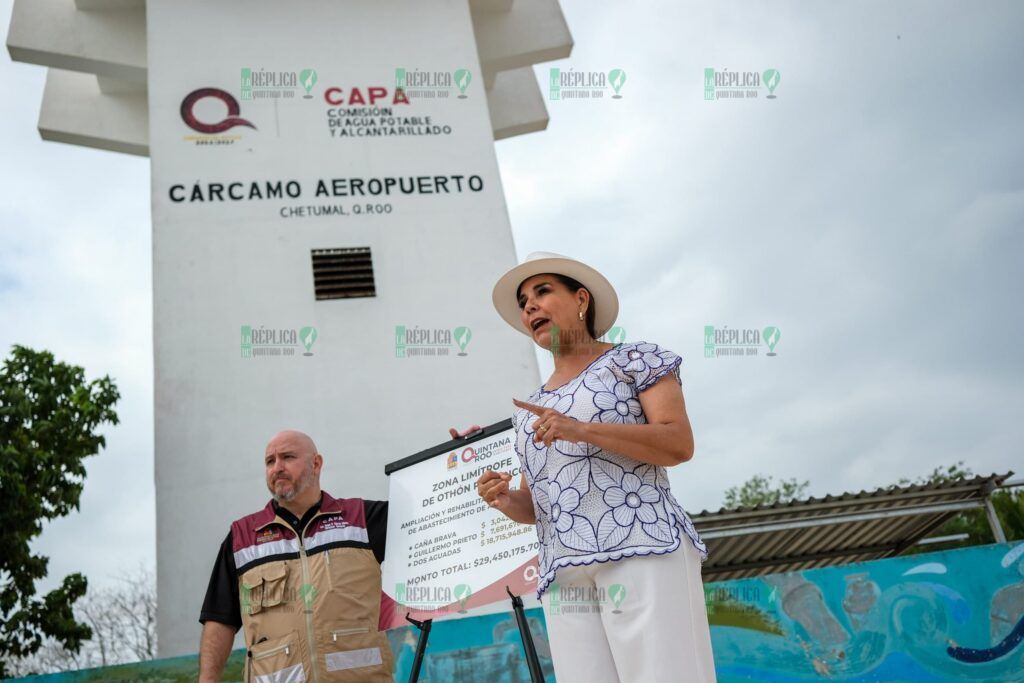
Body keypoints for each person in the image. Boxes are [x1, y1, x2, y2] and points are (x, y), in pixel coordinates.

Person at [461, 252, 716, 683]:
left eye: (542, 291)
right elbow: (537, 505)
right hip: (564, 573)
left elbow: (677, 443)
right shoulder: (529, 409)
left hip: (642, 545)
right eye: (524, 301)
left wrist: (582, 429)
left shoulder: (635, 360)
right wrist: (504, 498)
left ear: (581, 299)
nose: (529, 306)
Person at [197, 430, 393, 682]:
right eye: (270, 461)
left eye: (288, 457)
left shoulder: (362, 520)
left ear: (316, 463)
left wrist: (461, 456)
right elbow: (219, 619)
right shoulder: (242, 538)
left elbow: (435, 513)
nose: (277, 467)